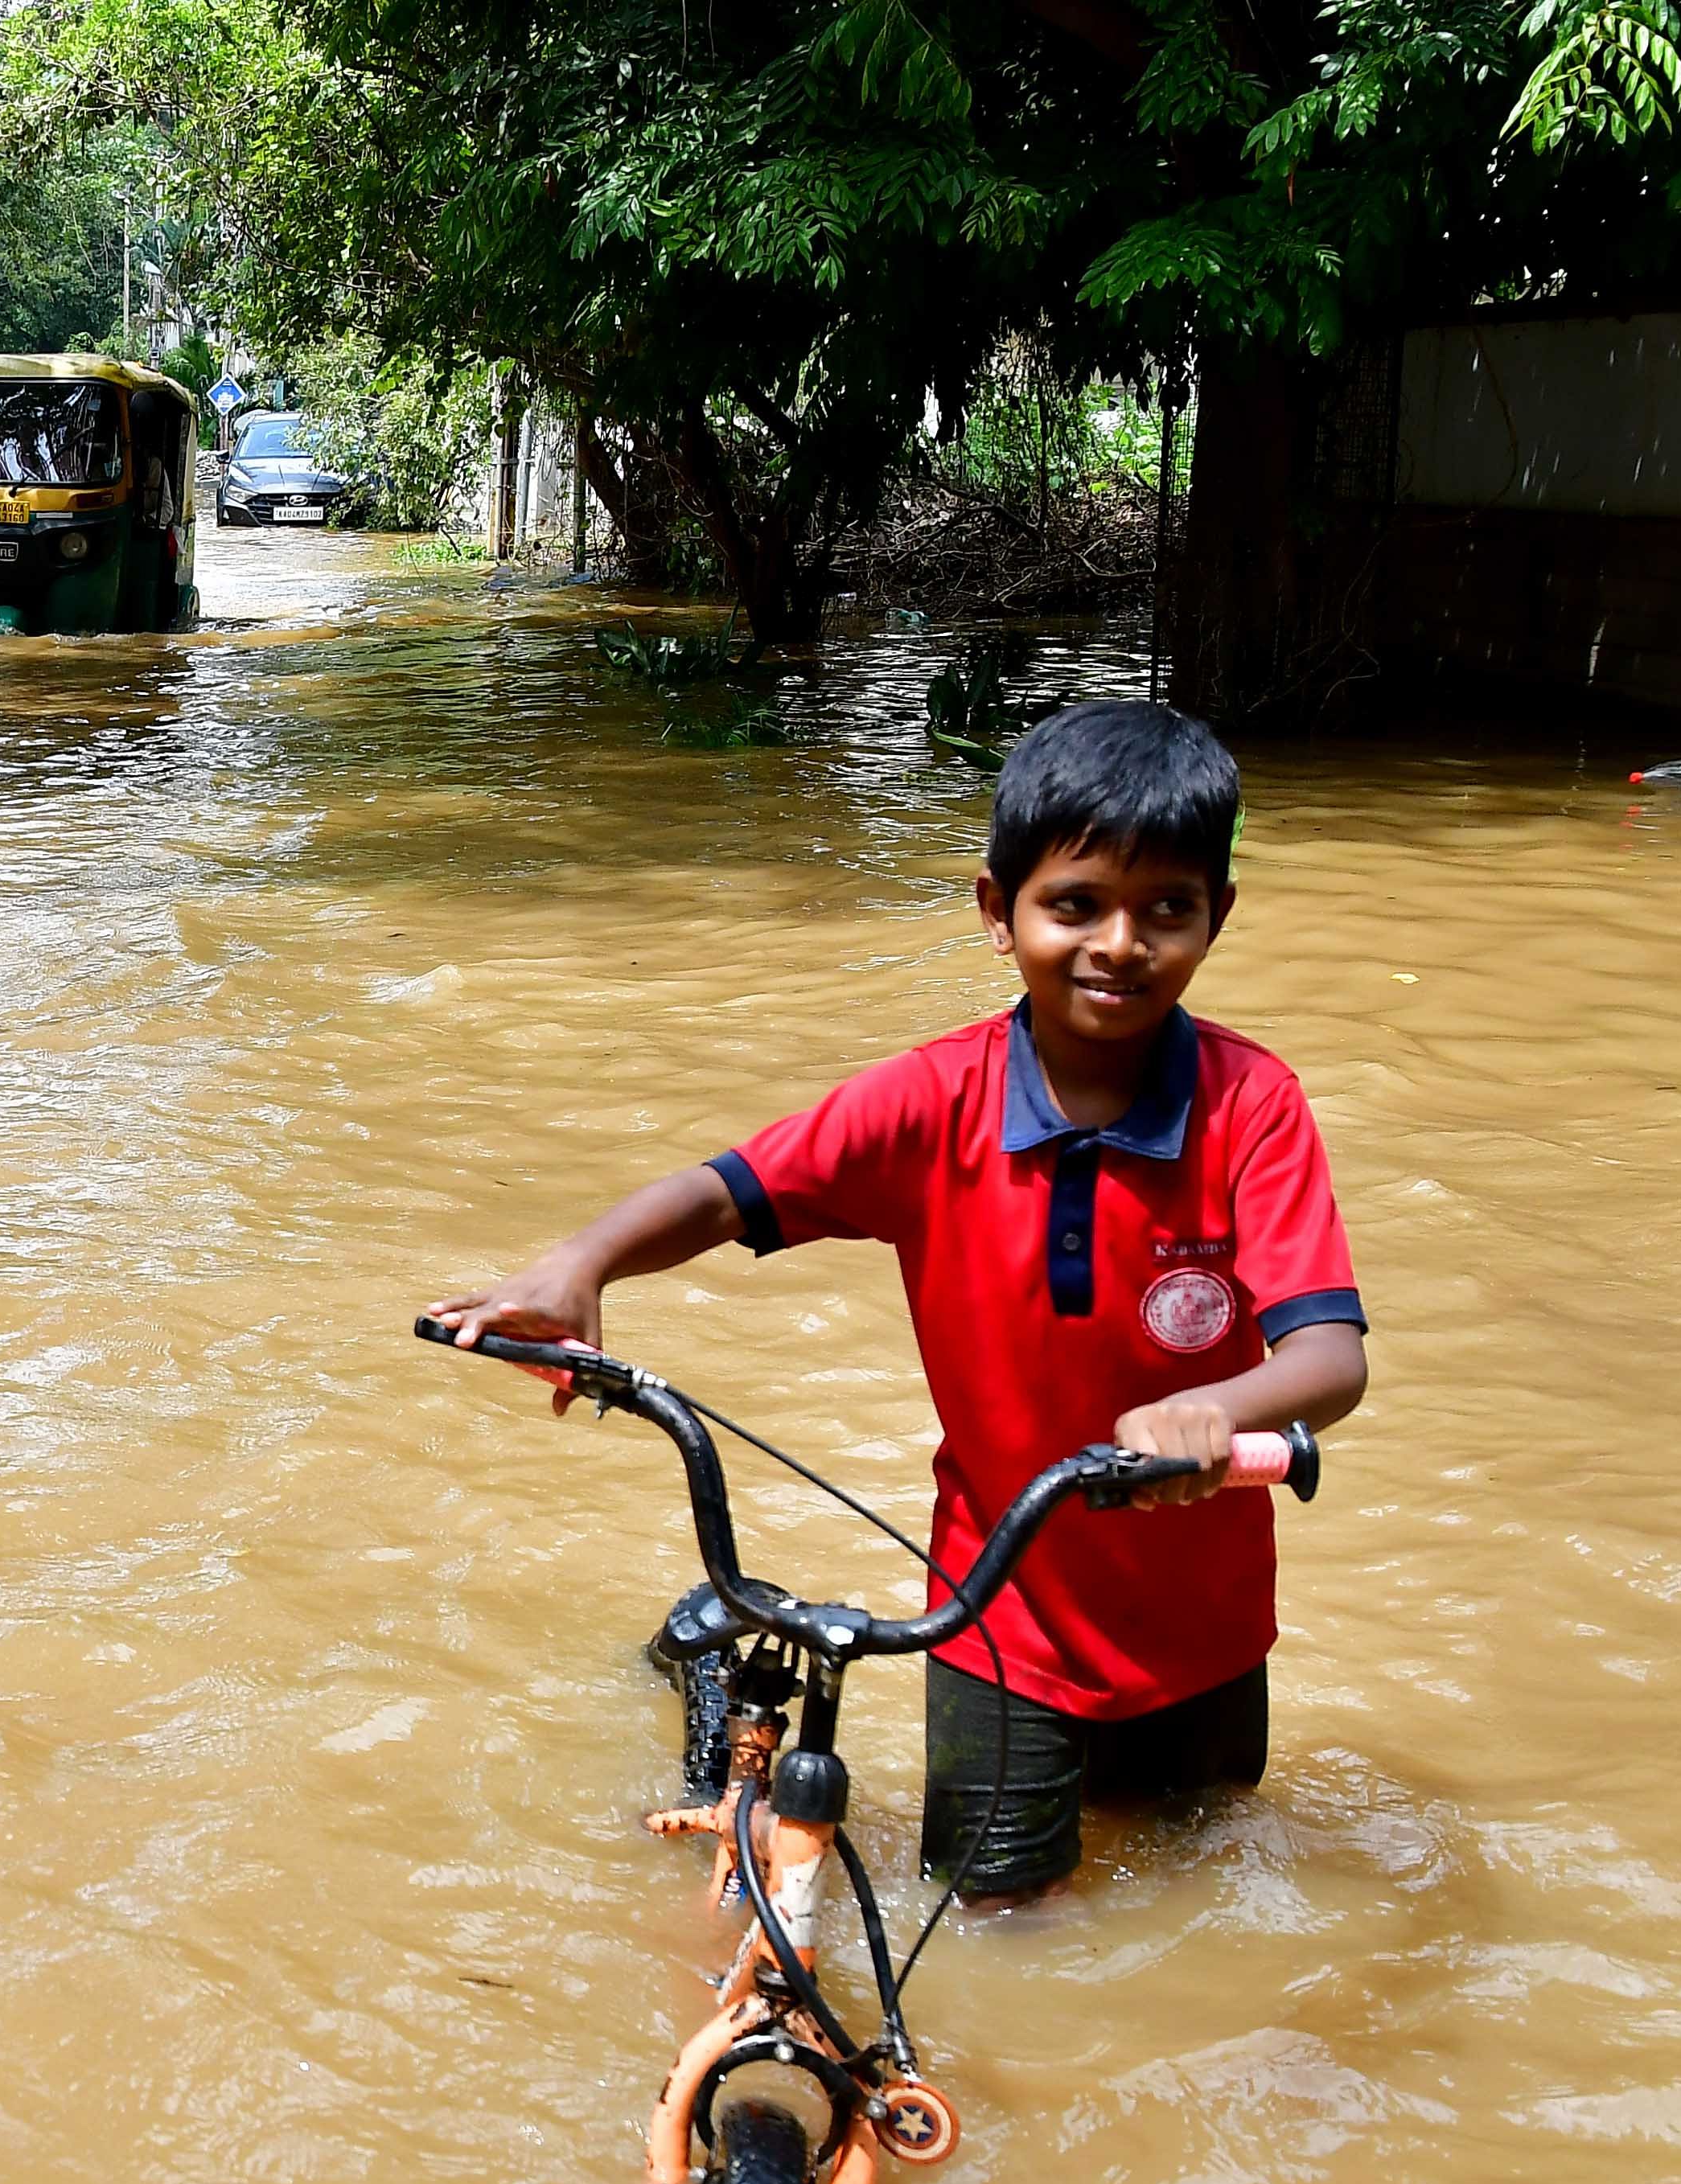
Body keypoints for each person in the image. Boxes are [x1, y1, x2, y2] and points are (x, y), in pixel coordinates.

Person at [425, 703, 1371, 1903]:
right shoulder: (933, 1102)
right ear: (997, 912)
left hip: (1207, 1628)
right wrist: (580, 1264)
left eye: (1165, 909)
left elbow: (1328, 1357)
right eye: (1074, 903)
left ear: (1213, 918)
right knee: (991, 1918)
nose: (1118, 944)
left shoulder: (1250, 1103)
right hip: (996, 1621)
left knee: (1201, 1890)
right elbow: (730, 1192)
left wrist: (1210, 1409)